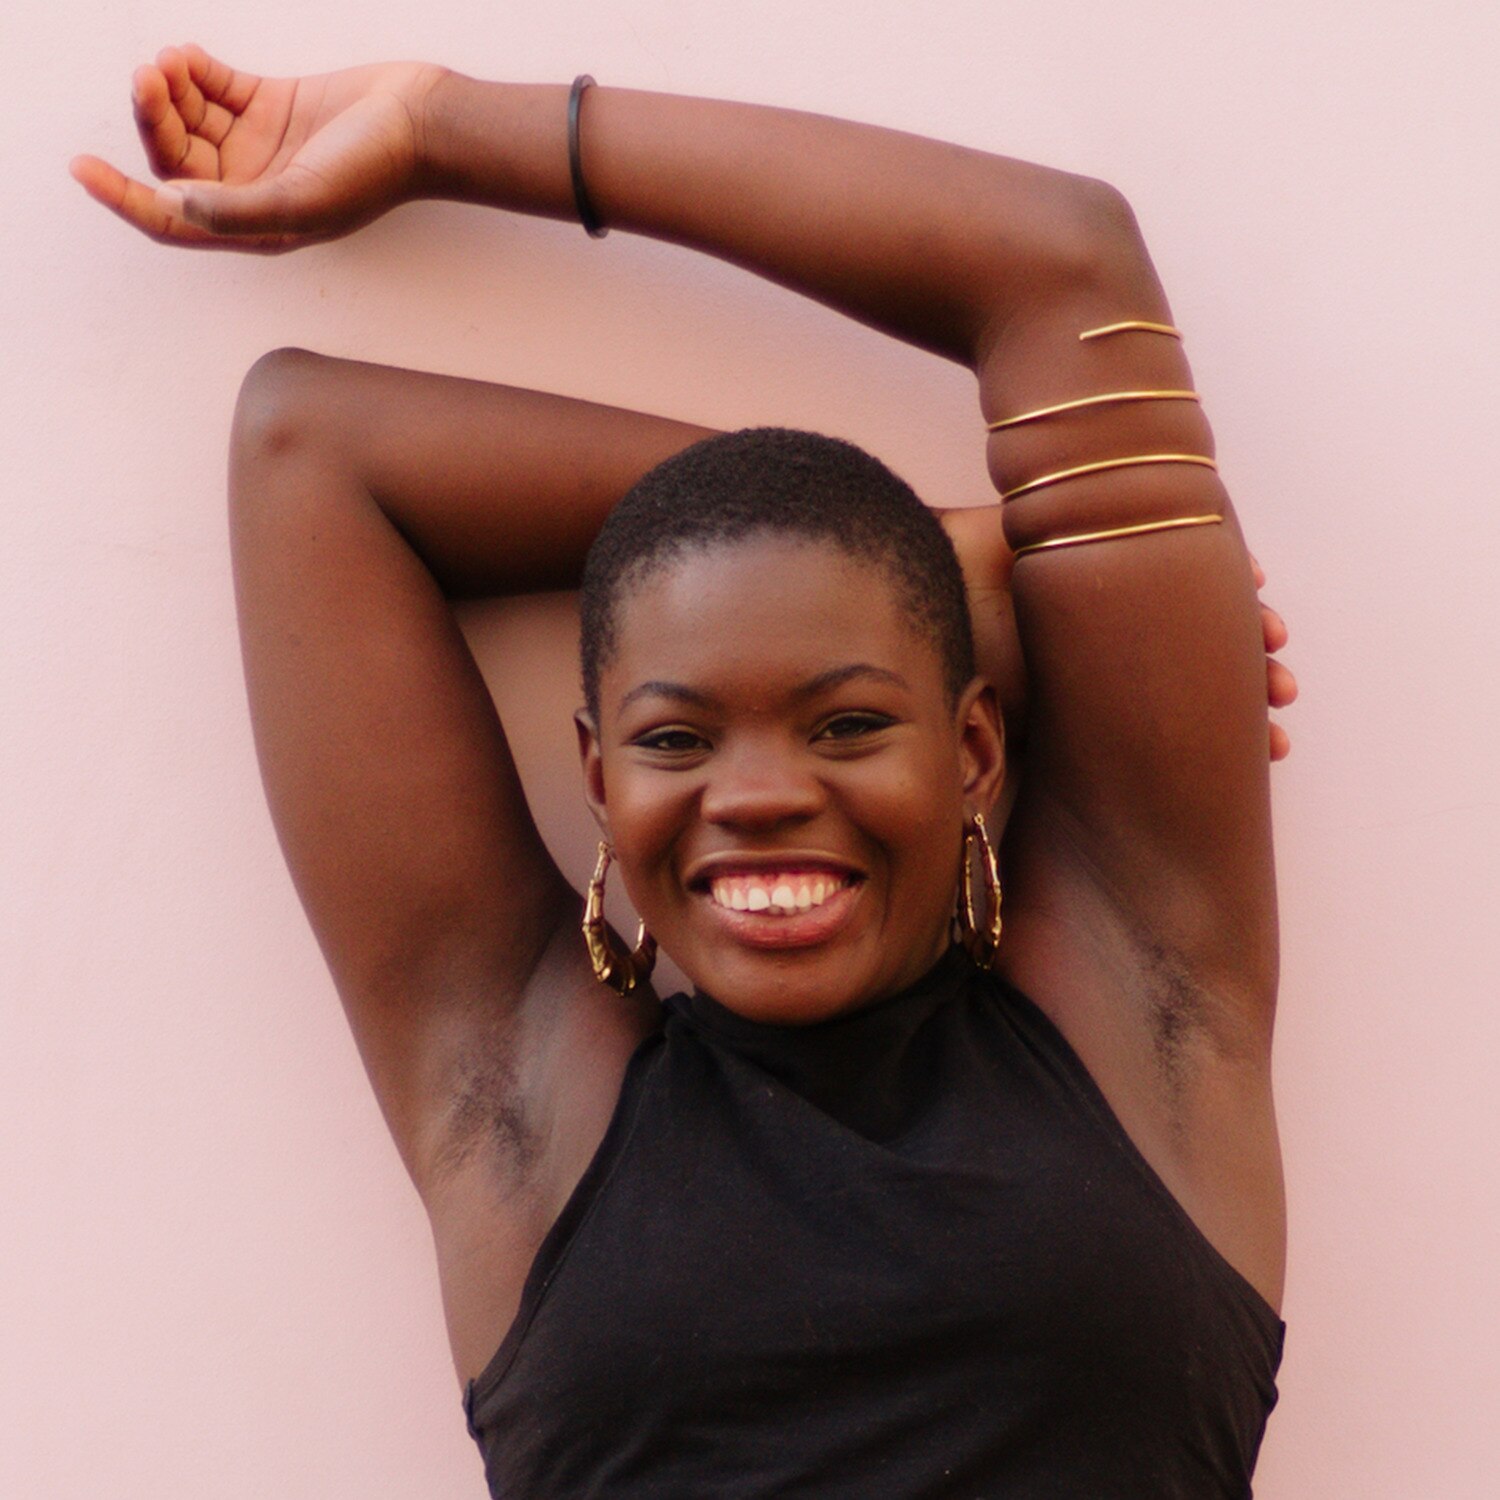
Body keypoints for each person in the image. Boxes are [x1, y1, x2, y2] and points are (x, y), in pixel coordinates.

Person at [73, 44, 1299, 1497]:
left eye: (848, 721)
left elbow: (1066, 261)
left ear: (975, 750)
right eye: (675, 738)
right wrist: (896, 562)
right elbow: (309, 453)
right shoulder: (522, 1113)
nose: (759, 792)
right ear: (599, 782)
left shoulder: (1146, 1021)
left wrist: (453, 131)